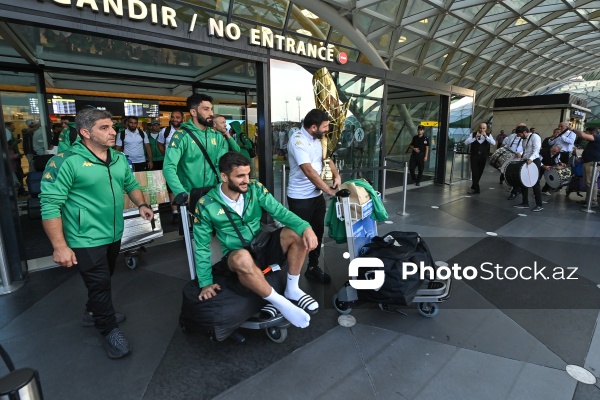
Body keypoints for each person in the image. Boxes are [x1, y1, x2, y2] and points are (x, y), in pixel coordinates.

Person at [39, 108, 154, 359]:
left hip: (113, 232)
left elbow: (131, 184)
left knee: (105, 276)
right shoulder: (65, 161)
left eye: (112, 127)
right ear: (85, 132)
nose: (113, 132)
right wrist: (59, 246)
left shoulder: (118, 158)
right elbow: (49, 205)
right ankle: (108, 328)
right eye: (104, 128)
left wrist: (142, 205)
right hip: (84, 236)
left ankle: (94, 312)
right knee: (100, 282)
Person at [194, 152, 318, 328]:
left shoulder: (255, 188)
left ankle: (293, 289)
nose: (246, 180)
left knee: (296, 234)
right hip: (237, 253)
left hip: (261, 243)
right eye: (240, 176)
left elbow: (280, 212)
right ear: (224, 176)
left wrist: (306, 227)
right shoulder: (206, 205)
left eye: (247, 174)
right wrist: (205, 283)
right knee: (242, 258)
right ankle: (282, 304)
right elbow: (201, 246)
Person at [286, 109, 341, 284]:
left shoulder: (318, 139)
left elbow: (327, 158)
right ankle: (289, 277)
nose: (327, 130)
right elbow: (308, 171)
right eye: (325, 127)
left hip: (316, 195)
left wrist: (336, 175)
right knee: (298, 238)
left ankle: (312, 267)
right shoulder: (297, 140)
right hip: (300, 198)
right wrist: (329, 191)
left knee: (316, 233)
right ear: (313, 127)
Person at [162, 94, 240, 203]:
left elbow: (222, 165)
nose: (211, 113)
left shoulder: (217, 136)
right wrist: (182, 193)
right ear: (193, 112)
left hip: (215, 194)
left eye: (211, 109)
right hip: (191, 196)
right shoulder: (181, 136)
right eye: (206, 109)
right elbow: (168, 167)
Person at [157, 111, 184, 223]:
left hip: (184, 165)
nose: (175, 119)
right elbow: (159, 144)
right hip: (171, 166)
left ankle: (186, 210)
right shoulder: (165, 131)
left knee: (185, 185)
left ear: (182, 119)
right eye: (172, 117)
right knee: (172, 187)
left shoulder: (187, 131)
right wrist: (167, 156)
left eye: (177, 117)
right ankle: (175, 213)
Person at [512, 125, 543, 212]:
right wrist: (520, 153)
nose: (519, 136)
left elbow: (536, 150)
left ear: (525, 132)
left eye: (520, 134)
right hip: (526, 160)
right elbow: (526, 150)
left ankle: (539, 204)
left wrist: (531, 158)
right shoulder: (524, 139)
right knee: (523, 181)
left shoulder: (535, 137)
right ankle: (525, 202)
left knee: (535, 183)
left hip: (534, 161)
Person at [464, 122, 496, 194]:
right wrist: (475, 138)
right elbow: (466, 142)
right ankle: (477, 189)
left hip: (483, 156)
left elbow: (494, 143)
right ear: (479, 128)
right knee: (474, 171)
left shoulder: (488, 135)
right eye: (481, 128)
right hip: (474, 155)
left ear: (486, 129)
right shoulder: (473, 134)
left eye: (483, 128)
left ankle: (474, 187)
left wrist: (486, 137)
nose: (482, 130)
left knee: (480, 172)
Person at [573, 127, 600, 208]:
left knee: (591, 182)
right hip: (588, 162)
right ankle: (588, 199)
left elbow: (582, 135)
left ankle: (593, 201)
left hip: (593, 163)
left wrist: (573, 129)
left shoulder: (597, 137)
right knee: (588, 182)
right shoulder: (593, 141)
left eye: (587, 133)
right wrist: (583, 157)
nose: (585, 135)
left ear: (592, 133)